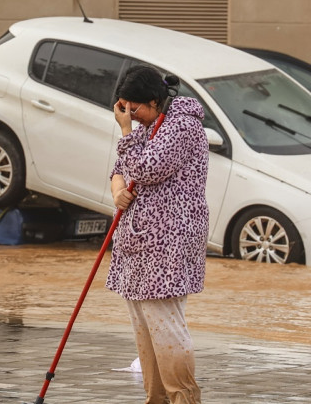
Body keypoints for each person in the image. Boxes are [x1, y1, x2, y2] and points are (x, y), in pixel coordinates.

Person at [107, 65, 209, 404]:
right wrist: (117, 187)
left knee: (165, 325)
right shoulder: (150, 126)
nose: (130, 116)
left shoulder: (182, 126)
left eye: (133, 109)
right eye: (124, 109)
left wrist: (125, 133)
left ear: (154, 100)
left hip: (168, 242)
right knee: (145, 328)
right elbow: (121, 168)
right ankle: (156, 399)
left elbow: (147, 168)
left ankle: (184, 398)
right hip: (138, 241)